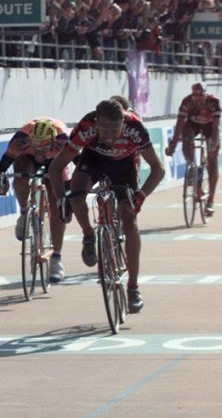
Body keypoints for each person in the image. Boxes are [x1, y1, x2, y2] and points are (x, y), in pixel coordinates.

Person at [48, 99, 165, 314]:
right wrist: (59, 199)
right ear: (96, 122)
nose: (110, 135)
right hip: (93, 159)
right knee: (76, 193)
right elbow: (56, 168)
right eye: (104, 129)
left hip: (123, 165)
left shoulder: (135, 127)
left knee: (129, 220)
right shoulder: (85, 127)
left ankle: (133, 288)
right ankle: (88, 235)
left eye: (115, 129)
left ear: (124, 122)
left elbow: (158, 169)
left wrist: (140, 196)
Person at [0, 118, 70, 283]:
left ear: (52, 142)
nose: (39, 152)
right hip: (26, 158)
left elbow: (77, 165)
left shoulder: (62, 141)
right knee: (20, 173)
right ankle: (24, 212)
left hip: (55, 161)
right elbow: (1, 167)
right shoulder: (20, 141)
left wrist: (66, 195)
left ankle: (56, 258)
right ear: (30, 141)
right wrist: (1, 181)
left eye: (43, 148)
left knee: (57, 204)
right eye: (36, 147)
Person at [165, 81, 220, 215]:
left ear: (206, 95)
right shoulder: (187, 101)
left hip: (209, 126)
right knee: (186, 137)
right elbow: (179, 123)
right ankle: (192, 167)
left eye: (201, 96)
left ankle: (211, 201)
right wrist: (173, 143)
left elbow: (216, 127)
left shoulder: (214, 102)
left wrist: (213, 143)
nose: (199, 100)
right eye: (196, 97)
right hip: (192, 125)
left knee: (212, 162)